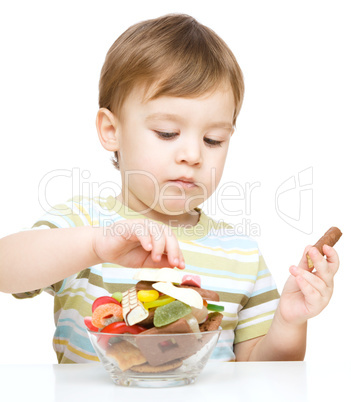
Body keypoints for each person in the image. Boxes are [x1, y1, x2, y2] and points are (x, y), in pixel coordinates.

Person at [0, 14, 339, 364]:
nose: (192, 154)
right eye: (166, 133)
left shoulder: (242, 257)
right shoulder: (85, 223)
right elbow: (4, 269)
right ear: (111, 130)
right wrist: (94, 245)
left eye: (213, 139)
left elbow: (263, 373)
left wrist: (289, 321)